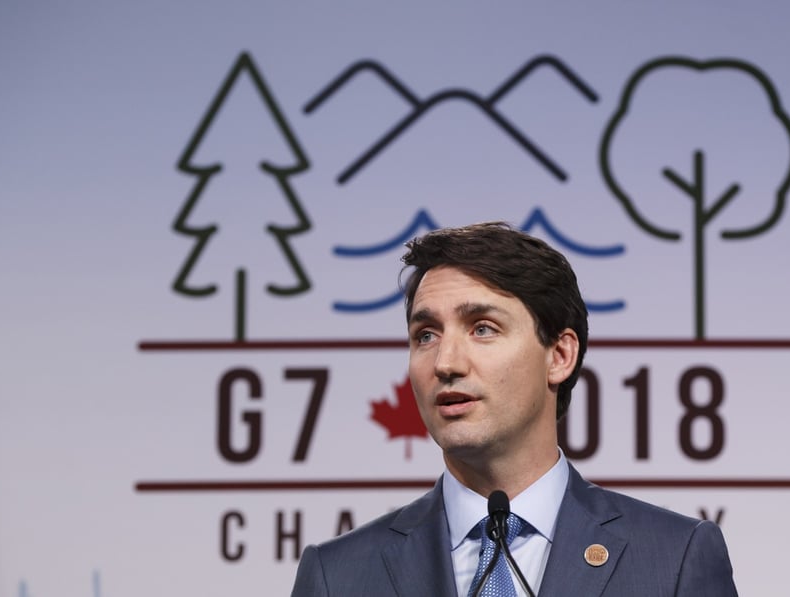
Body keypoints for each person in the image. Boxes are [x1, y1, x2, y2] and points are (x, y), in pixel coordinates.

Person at [290, 222, 738, 596]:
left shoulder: (674, 560)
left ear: (559, 356)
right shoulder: (337, 577)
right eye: (425, 335)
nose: (445, 363)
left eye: (483, 329)